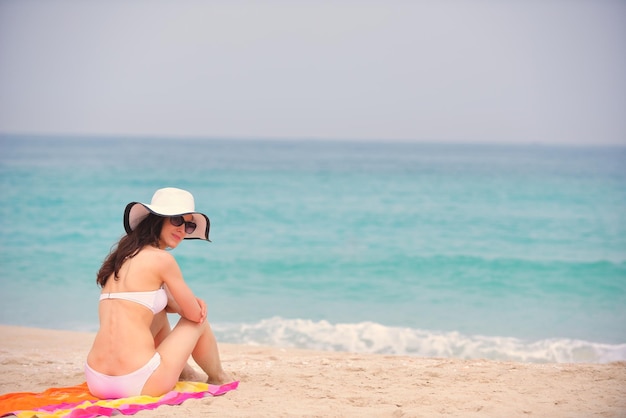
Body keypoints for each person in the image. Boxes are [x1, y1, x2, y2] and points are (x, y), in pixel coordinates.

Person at [85, 187, 233, 399]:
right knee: (199, 321)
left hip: (97, 381)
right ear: (157, 220)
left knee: (156, 312)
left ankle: (186, 373)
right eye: (176, 220)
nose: (182, 229)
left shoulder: (120, 259)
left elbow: (158, 304)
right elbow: (193, 315)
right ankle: (218, 376)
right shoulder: (163, 260)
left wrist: (180, 303)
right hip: (137, 381)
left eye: (189, 225)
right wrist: (196, 303)